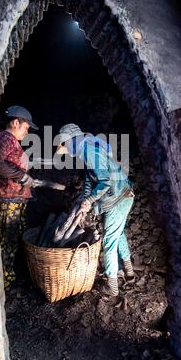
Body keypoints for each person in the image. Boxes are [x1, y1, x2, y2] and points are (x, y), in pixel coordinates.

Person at [56, 123, 135, 297]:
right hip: (120, 196)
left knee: (109, 241)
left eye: (64, 143)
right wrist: (86, 200)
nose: (64, 148)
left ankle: (112, 287)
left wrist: (91, 200)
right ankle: (129, 273)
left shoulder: (88, 151)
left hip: (118, 197)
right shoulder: (87, 149)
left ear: (71, 140)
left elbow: (105, 182)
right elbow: (89, 181)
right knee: (118, 234)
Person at [0, 105, 40, 289]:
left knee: (17, 237)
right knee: (8, 239)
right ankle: (5, 282)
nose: (27, 130)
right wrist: (22, 176)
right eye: (26, 127)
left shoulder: (12, 142)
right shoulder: (5, 138)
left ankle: (13, 276)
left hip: (16, 198)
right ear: (15, 122)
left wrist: (29, 188)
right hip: (8, 199)